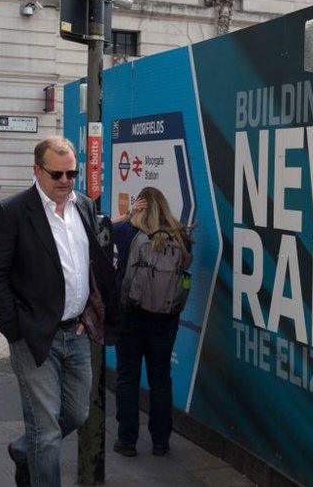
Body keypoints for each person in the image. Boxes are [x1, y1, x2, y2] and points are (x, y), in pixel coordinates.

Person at [0, 136, 117, 487]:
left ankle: (24, 449)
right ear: (37, 171)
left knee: (77, 412)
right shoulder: (11, 212)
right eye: (57, 174)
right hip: (33, 336)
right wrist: (15, 328)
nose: (65, 181)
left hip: (77, 332)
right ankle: (37, 452)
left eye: (72, 173)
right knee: (47, 431)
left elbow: (88, 267)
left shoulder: (84, 206)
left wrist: (92, 312)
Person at [111, 187, 191, 458]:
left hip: (130, 316)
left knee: (128, 376)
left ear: (141, 206)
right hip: (166, 320)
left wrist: (127, 215)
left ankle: (127, 440)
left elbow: (96, 229)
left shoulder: (126, 233)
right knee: (160, 378)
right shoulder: (180, 236)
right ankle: (160, 441)